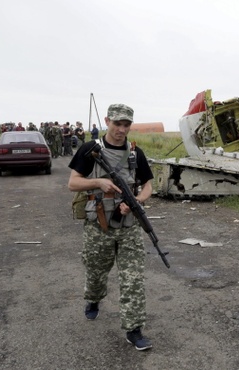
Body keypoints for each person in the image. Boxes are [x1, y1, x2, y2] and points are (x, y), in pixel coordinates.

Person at [67, 103, 154, 351]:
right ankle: (93, 299)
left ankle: (134, 329)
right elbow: (73, 183)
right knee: (96, 272)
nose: (121, 130)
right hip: (98, 226)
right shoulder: (90, 149)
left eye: (126, 125)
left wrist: (137, 201)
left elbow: (148, 185)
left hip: (128, 227)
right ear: (107, 121)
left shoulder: (136, 153)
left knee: (133, 278)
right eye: (117, 124)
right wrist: (98, 182)